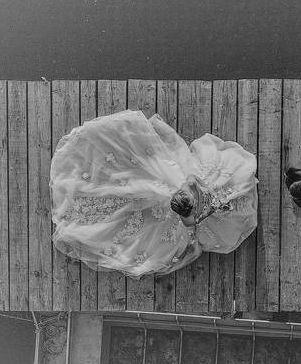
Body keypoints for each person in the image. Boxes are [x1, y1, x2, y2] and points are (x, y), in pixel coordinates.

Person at [50, 110, 258, 277]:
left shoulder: (188, 185)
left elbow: (195, 183)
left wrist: (208, 196)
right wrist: (211, 206)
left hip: (197, 195)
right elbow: (194, 220)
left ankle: (224, 200)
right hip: (200, 202)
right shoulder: (187, 207)